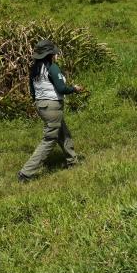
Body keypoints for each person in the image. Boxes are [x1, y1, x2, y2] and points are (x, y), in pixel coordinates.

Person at [17, 39, 84, 183]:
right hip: (53, 106)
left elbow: (32, 91)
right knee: (49, 140)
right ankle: (26, 173)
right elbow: (61, 88)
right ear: (50, 54)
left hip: (41, 105)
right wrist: (75, 89)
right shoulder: (52, 68)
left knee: (63, 132)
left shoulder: (35, 69)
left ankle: (73, 161)